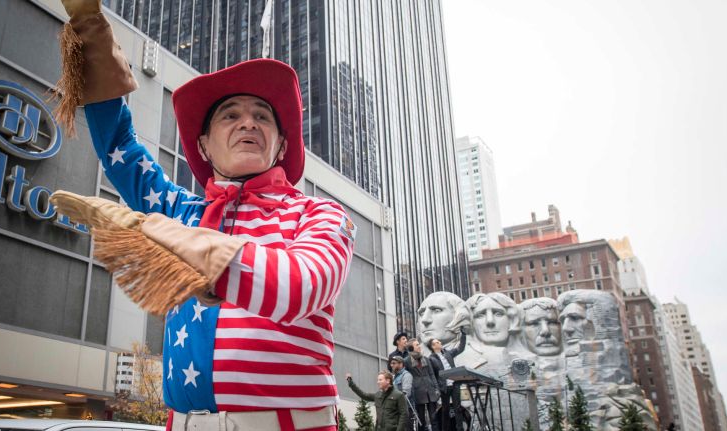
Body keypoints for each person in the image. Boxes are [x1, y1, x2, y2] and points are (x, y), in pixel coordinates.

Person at [49, 2, 354, 430]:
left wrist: (176, 239)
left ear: (281, 147)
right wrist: (90, 29)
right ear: (206, 146)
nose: (248, 123)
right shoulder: (179, 212)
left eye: (262, 116)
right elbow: (120, 146)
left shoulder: (318, 213)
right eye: (231, 115)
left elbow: (302, 285)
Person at [426, 337, 464, 431]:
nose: (440, 342)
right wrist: (437, 388)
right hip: (444, 387)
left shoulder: (448, 353)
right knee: (445, 410)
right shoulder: (431, 359)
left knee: (458, 409)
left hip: (454, 384)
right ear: (433, 346)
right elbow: (433, 375)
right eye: (437, 342)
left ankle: (460, 429)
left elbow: (460, 348)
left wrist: (463, 335)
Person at [404, 338, 440, 431]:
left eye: (418, 344)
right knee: (421, 420)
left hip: (430, 391)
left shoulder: (426, 359)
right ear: (411, 348)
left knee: (434, 419)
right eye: (416, 345)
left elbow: (432, 374)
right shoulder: (407, 361)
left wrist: (437, 389)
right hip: (418, 392)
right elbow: (406, 376)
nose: (419, 346)